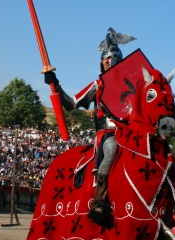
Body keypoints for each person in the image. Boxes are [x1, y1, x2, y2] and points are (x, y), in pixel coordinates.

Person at [44, 27, 136, 225]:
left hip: (129, 132)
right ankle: (100, 201)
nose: (107, 62)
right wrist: (55, 83)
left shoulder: (132, 85)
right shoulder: (98, 85)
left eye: (110, 58)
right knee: (112, 148)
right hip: (108, 134)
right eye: (104, 59)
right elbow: (71, 103)